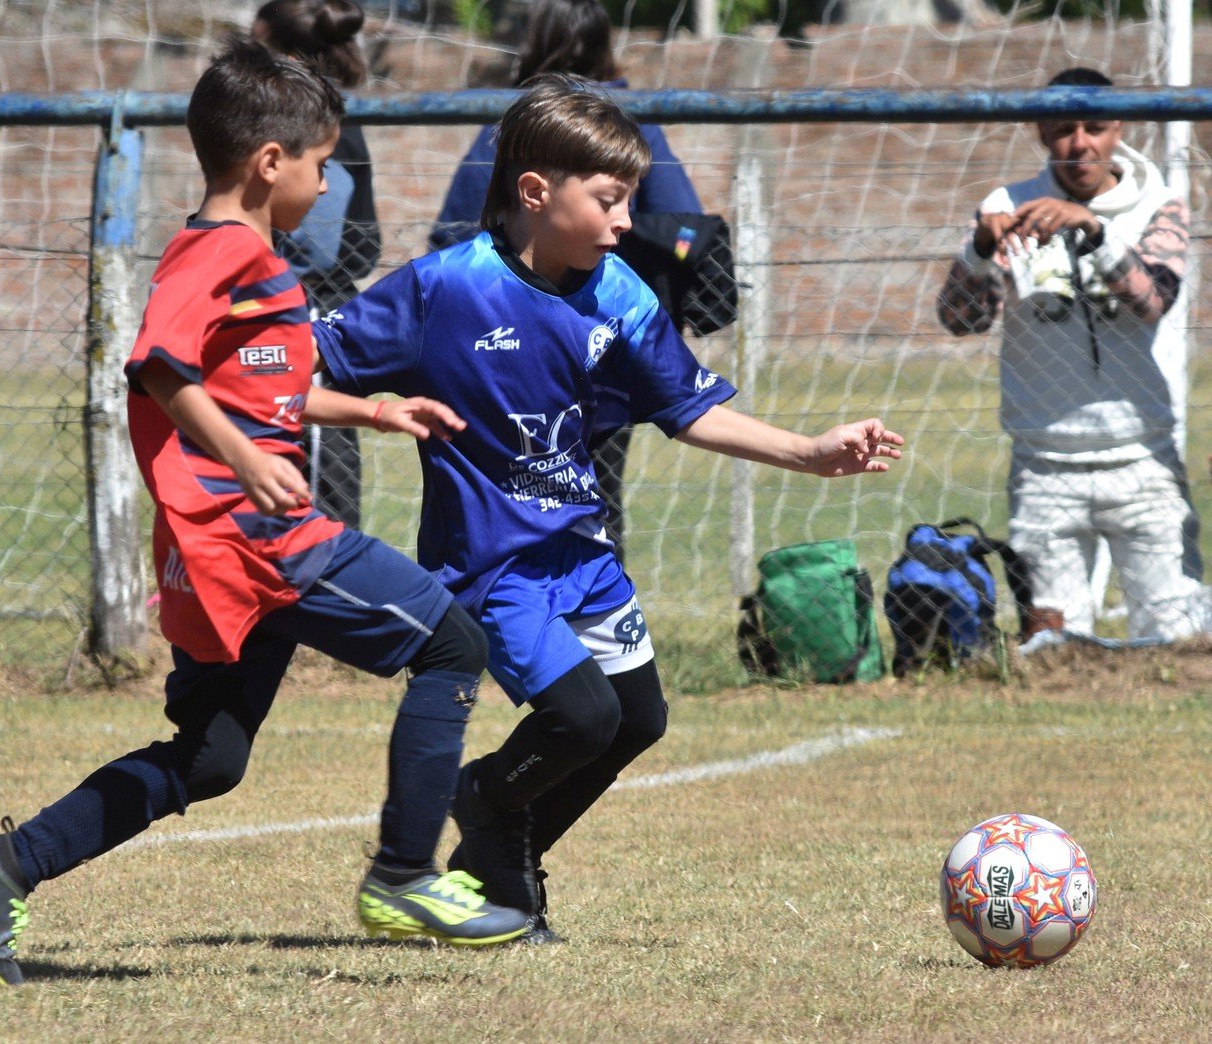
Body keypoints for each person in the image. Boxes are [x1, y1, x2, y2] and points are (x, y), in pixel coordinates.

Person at [0, 40, 531, 988]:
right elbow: (160, 367)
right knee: (452, 645)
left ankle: (7, 865)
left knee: (209, 758)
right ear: (269, 162)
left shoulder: (250, 258)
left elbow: (256, 389)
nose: (329, 181)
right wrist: (251, 463)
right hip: (255, 536)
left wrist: (371, 408)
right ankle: (406, 874)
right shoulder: (218, 253)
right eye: (322, 163)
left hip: (221, 546)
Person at [315, 74, 905, 941]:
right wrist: (310, 413)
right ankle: (489, 808)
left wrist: (808, 453)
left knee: (635, 721)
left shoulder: (619, 292)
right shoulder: (443, 291)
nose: (627, 220)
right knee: (579, 717)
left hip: (581, 555)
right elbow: (301, 363)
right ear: (534, 193)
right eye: (608, 199)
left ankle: (490, 851)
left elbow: (687, 407)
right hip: (493, 565)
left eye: (627, 198)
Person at [935, 66, 1212, 642]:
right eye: (1064, 128)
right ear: (1040, 131)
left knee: (1176, 634)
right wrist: (979, 250)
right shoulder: (1006, 203)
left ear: (1119, 129)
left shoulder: (1162, 205)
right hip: (1045, 462)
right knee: (1054, 642)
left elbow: (1153, 300)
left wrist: (1093, 232)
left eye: (1095, 126)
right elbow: (960, 320)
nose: (1080, 143)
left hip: (1143, 456)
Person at [427, 0, 706, 560]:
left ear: (534, 41)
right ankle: (594, 627)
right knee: (596, 490)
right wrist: (653, 257)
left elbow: (451, 236)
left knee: (492, 492)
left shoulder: (513, 127)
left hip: (498, 357)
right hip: (599, 358)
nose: (618, 216)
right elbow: (690, 229)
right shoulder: (630, 120)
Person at [254, 0, 379, 531]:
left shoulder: (322, 132)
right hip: (283, 304)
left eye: (257, 49)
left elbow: (350, 245)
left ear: (285, 57)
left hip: (310, 311)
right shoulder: (284, 124)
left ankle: (330, 561)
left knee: (321, 451)